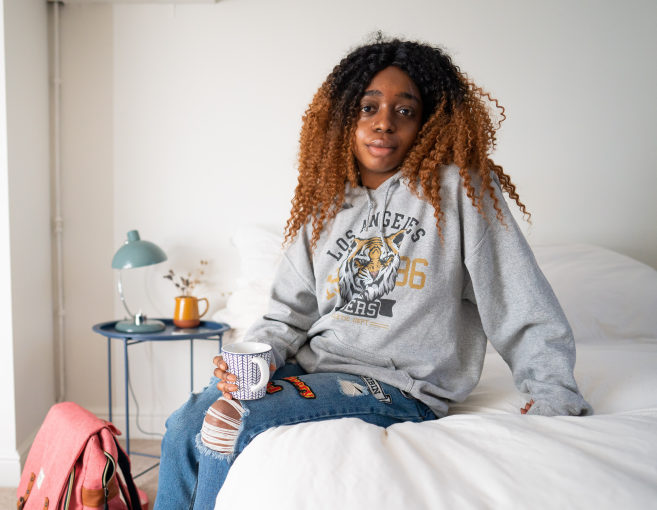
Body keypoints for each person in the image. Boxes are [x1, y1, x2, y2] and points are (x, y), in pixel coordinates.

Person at [154, 36, 592, 510]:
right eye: (367, 107)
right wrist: (259, 359)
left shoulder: (459, 187)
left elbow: (515, 295)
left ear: (428, 122)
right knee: (183, 423)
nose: (384, 122)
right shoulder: (324, 203)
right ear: (343, 117)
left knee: (229, 423)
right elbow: (286, 315)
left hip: (400, 386)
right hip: (314, 366)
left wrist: (553, 392)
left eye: (405, 110)